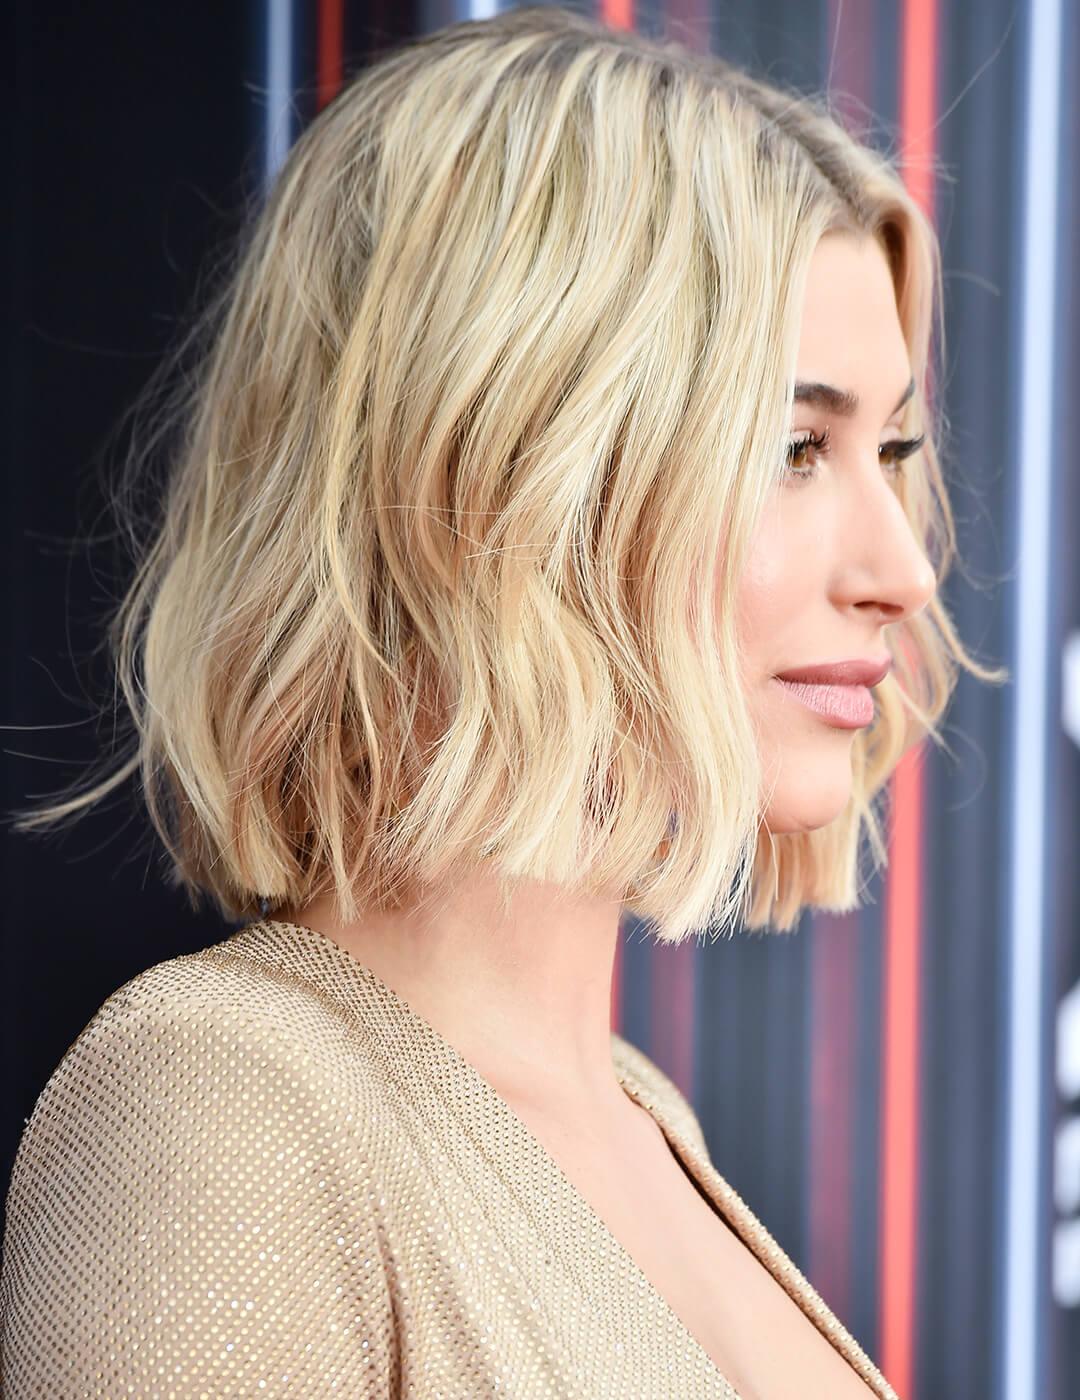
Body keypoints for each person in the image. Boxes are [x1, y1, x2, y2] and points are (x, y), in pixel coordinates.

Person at [0, 7, 1004, 1397]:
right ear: (506, 474)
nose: (901, 568)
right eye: (792, 448)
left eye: (888, 451)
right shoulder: (224, 1111)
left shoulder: (638, 1116)